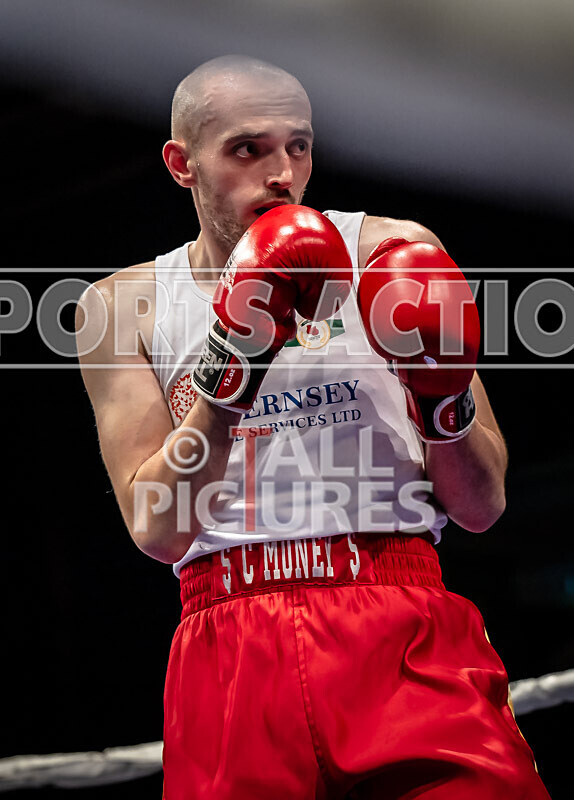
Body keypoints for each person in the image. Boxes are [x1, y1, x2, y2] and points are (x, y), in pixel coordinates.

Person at [76, 55, 550, 799]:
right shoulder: (121, 306)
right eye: (247, 148)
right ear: (181, 163)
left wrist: (442, 395)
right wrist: (235, 365)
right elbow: (157, 527)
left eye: (298, 145)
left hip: (401, 622)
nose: (282, 173)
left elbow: (481, 506)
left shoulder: (391, 256)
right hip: (229, 643)